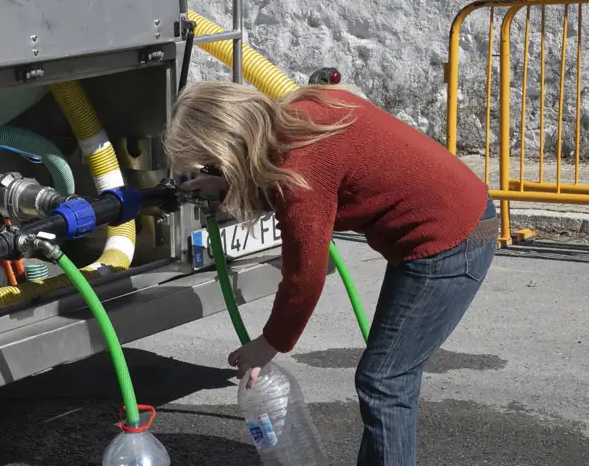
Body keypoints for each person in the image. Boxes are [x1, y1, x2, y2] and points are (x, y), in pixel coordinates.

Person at [164, 80, 498, 466]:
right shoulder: (302, 112)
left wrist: (269, 343)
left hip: (451, 242)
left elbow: (305, 277)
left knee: (385, 383)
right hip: (456, 222)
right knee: (384, 379)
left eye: (210, 164)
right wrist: (222, 182)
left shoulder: (300, 170)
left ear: (229, 147)